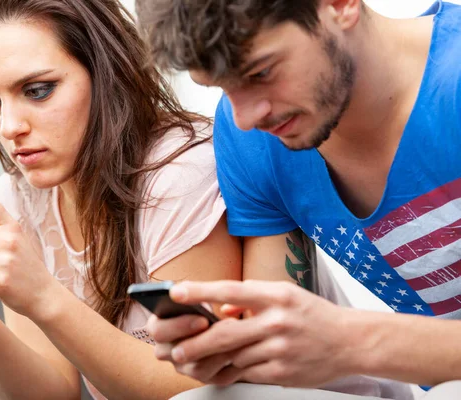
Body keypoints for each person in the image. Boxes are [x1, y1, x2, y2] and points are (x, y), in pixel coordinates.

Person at [0, 0, 244, 399]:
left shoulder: (182, 172)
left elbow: (195, 388)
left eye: (37, 91)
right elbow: (52, 395)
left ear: (106, 74)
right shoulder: (18, 197)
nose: (9, 126)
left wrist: (42, 295)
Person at [136, 0, 461, 398]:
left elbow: (346, 344)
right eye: (222, 87)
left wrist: (352, 342)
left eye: (261, 73)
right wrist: (233, 350)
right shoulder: (251, 141)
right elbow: (281, 352)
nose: (246, 117)